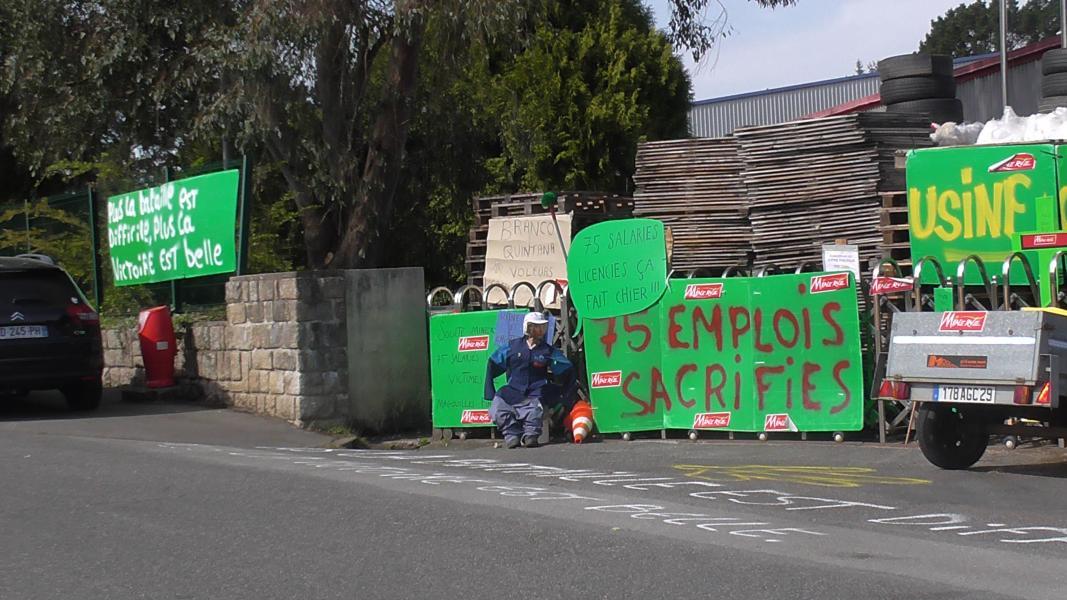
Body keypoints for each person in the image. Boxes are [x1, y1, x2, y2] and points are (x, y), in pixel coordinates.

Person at [485, 311, 573, 448]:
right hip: (513, 389)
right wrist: (490, 389)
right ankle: (511, 433)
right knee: (498, 407)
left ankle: (531, 434)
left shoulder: (547, 351)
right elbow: (494, 361)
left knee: (534, 410)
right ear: (528, 328)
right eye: (536, 326)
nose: (540, 330)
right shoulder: (513, 347)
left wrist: (563, 388)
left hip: (536, 390)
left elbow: (565, 367)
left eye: (543, 327)